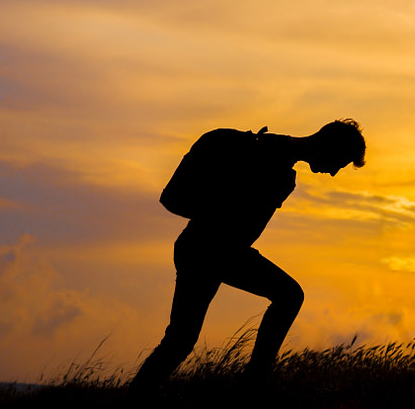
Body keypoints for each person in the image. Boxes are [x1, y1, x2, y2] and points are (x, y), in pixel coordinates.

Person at [129, 119, 366, 393]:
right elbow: (176, 198)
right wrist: (220, 222)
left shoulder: (283, 169)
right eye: (341, 161)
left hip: (216, 250)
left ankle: (130, 407)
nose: (335, 172)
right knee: (288, 296)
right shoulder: (258, 151)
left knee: (179, 342)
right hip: (206, 250)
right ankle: (254, 383)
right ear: (328, 146)